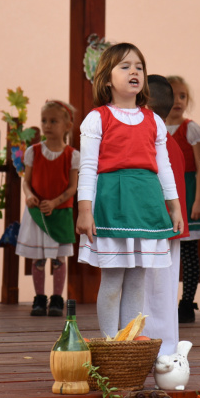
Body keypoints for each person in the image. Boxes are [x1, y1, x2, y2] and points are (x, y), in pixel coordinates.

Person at [75, 43, 184, 339]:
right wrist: (85, 210)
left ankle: (129, 340)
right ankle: (111, 342)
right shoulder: (97, 118)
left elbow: (164, 168)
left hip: (146, 206)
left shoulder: (154, 121)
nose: (134, 71)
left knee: (138, 279)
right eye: (124, 66)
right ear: (107, 79)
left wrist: (173, 206)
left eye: (139, 66)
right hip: (113, 206)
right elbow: (87, 168)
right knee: (112, 279)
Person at [16, 99, 79, 317]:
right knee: (39, 258)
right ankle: (39, 298)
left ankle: (57, 299)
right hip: (38, 213)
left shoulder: (72, 156)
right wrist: (30, 196)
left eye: (53, 121)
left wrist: (54, 202)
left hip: (60, 213)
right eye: (44, 120)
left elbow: (73, 188)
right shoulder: (33, 152)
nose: (47, 125)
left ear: (67, 126)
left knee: (59, 258)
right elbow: (26, 181)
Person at [142, 74, 188, 356]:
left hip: (154, 226)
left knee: (152, 292)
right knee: (165, 292)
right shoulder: (169, 141)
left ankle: (156, 351)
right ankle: (166, 350)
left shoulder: (151, 140)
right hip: (170, 226)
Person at [164, 75, 200, 324]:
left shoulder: (191, 129)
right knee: (164, 251)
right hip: (165, 196)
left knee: (189, 253)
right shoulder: (156, 127)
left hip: (187, 194)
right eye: (172, 95)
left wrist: (199, 200)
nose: (177, 100)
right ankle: (164, 301)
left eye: (182, 96)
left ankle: (186, 303)